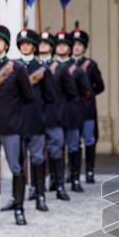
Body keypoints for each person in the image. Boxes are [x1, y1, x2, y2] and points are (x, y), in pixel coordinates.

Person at [0, 18, 35, 225]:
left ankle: (19, 208)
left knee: (16, 168)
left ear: (6, 44)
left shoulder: (17, 69)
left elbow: (28, 97)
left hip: (12, 127)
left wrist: (22, 124)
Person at [37, 29, 78, 202]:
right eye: (41, 43)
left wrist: (60, 109)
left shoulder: (60, 68)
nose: (43, 46)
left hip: (54, 116)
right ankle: (36, 188)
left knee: (56, 151)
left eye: (47, 44)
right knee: (37, 154)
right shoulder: (32, 67)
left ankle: (58, 184)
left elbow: (71, 92)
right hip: (36, 117)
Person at [17, 24, 51, 213]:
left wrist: (44, 115)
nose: (25, 46)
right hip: (18, 120)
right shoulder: (12, 67)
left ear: (34, 46)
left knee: (37, 159)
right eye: (22, 44)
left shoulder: (41, 68)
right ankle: (18, 199)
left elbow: (50, 96)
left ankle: (40, 196)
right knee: (19, 161)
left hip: (36, 119)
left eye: (28, 44)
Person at [59, 27, 94, 194]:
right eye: (58, 45)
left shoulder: (78, 69)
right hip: (57, 113)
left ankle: (74, 179)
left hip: (72, 112)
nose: (61, 48)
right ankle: (57, 180)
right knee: (58, 147)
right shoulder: (52, 67)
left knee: (73, 146)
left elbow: (87, 92)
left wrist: (77, 104)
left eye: (64, 45)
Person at [71, 23, 105, 185]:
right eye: (74, 45)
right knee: (73, 142)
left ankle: (90, 171)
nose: (76, 48)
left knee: (89, 140)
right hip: (71, 109)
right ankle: (74, 173)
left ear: (84, 48)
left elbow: (100, 86)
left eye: (79, 45)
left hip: (87, 109)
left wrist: (88, 95)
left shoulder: (91, 65)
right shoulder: (66, 65)